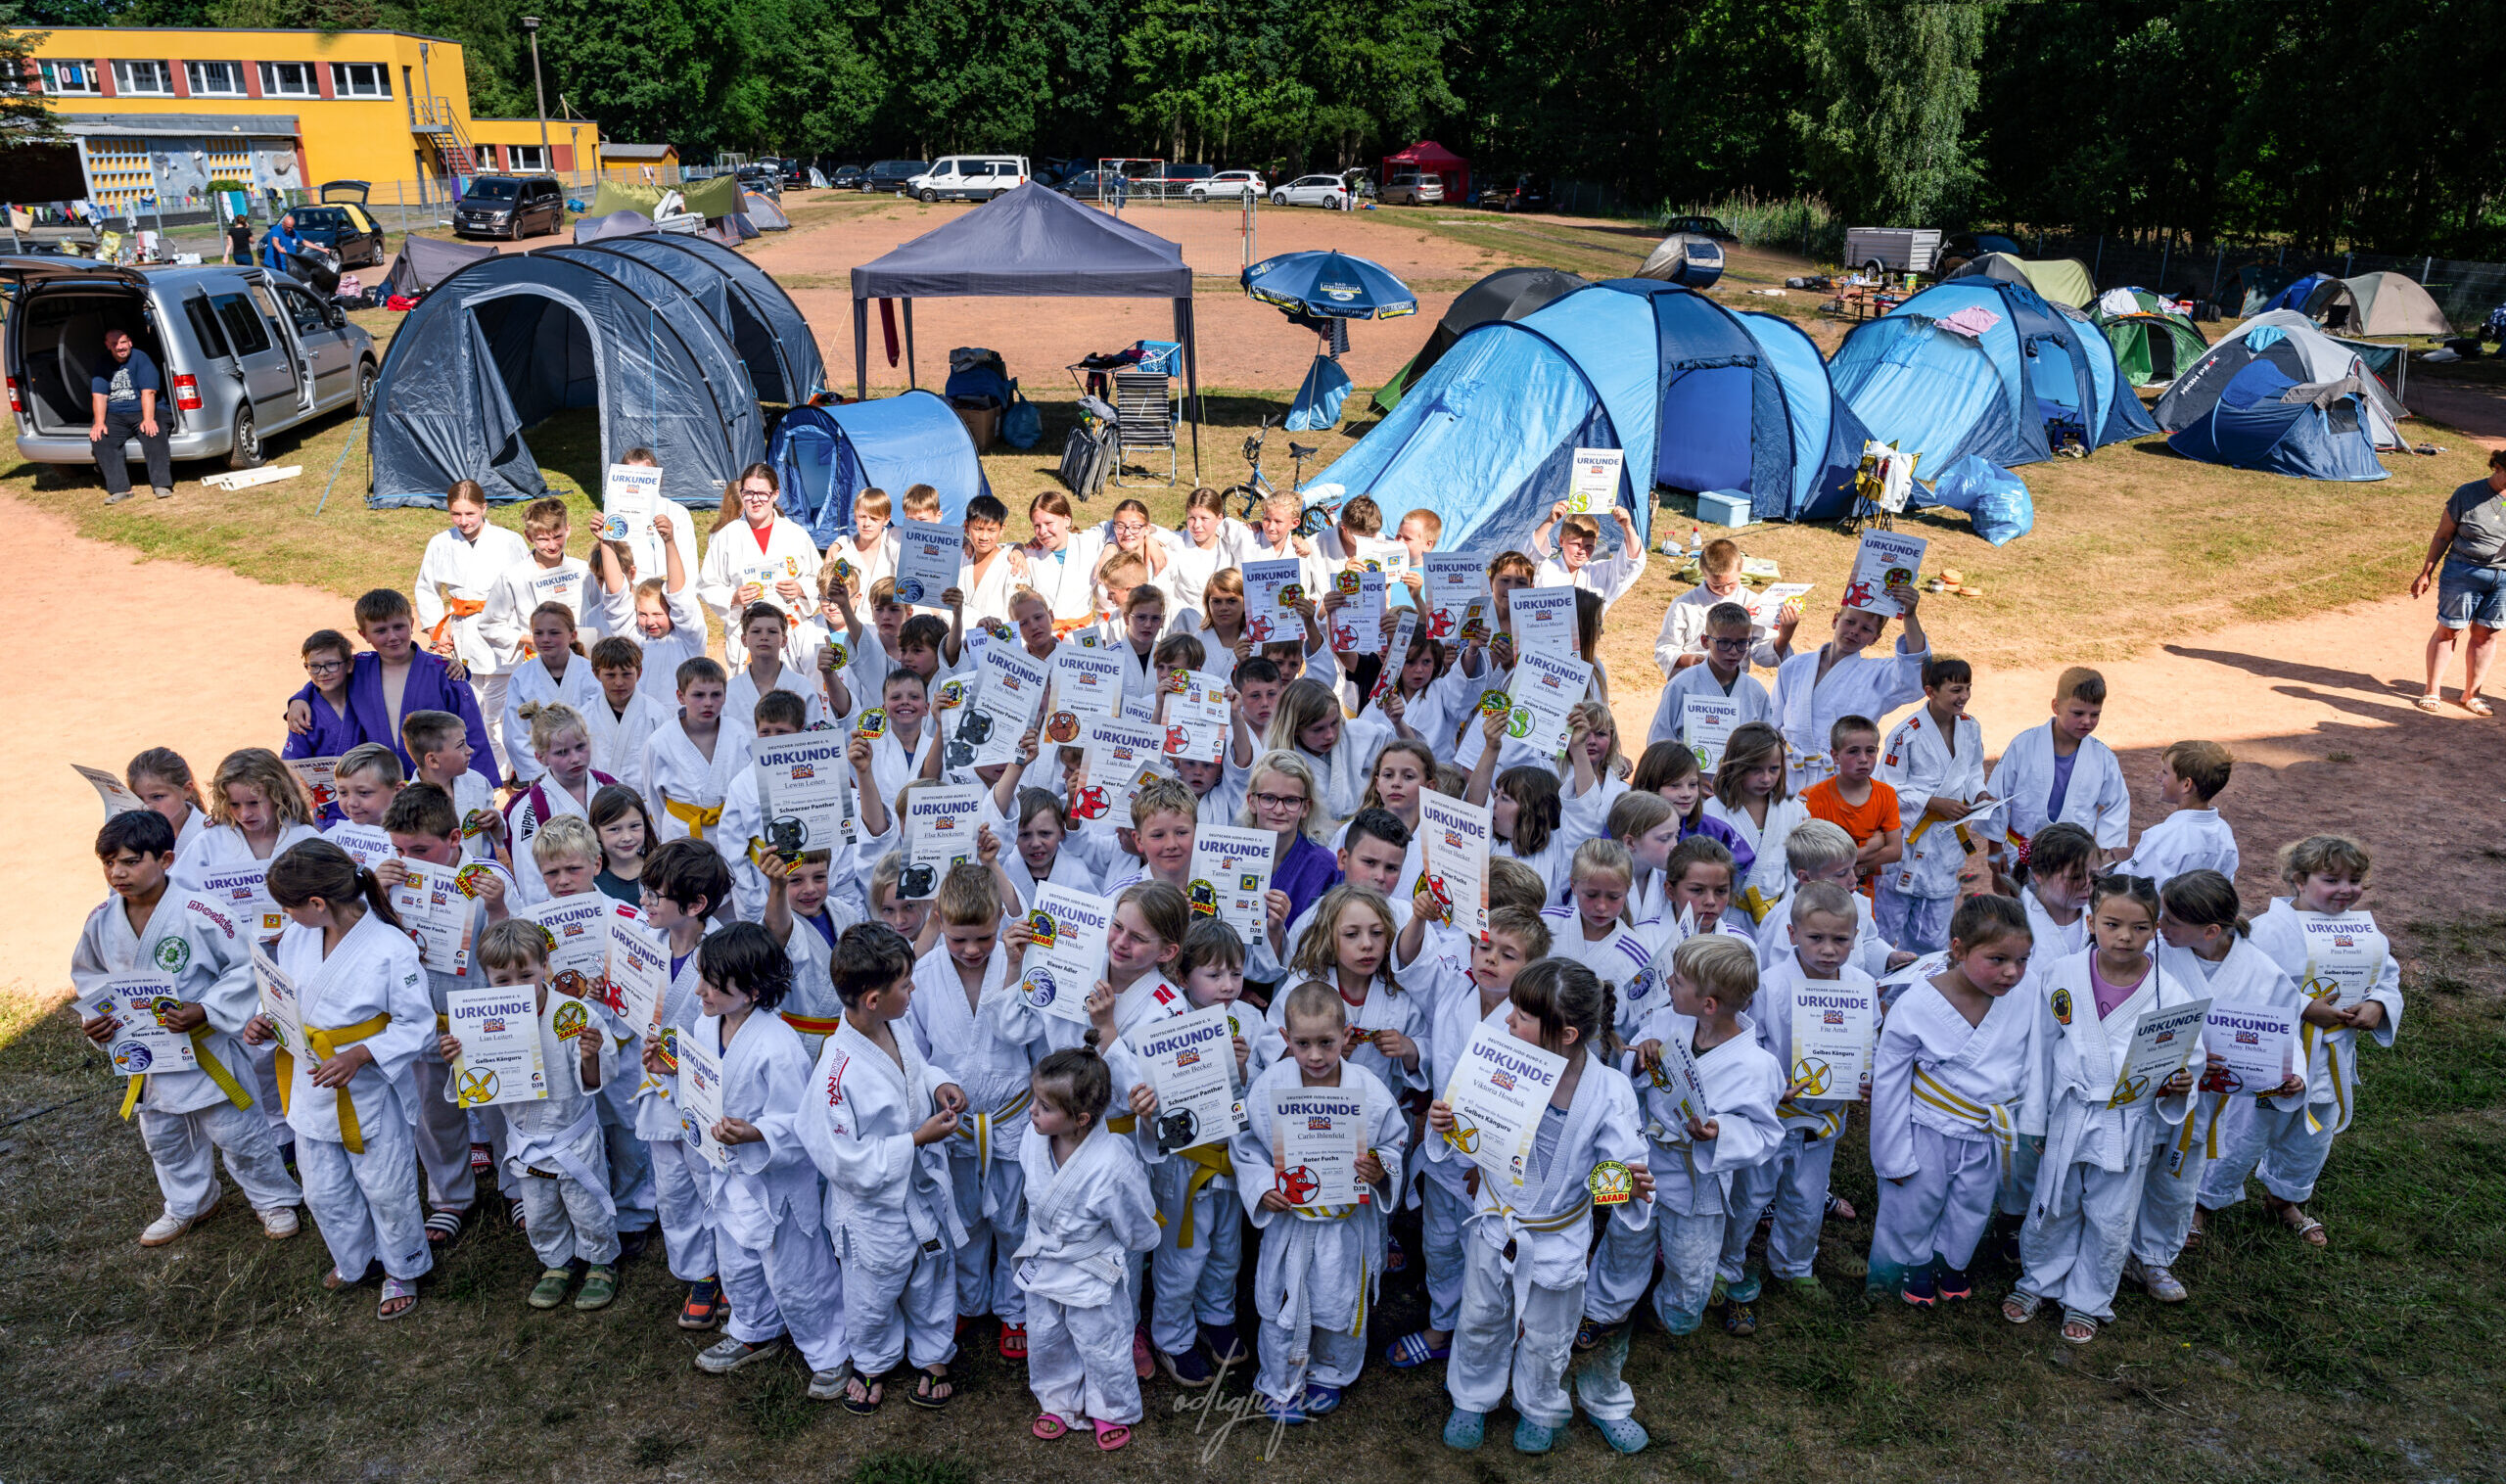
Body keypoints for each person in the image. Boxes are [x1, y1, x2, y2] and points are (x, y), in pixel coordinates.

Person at [1432, 960, 1652, 1455]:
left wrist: (1627, 1187)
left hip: (1557, 1233)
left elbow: (1606, 1179)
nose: (1508, 1022)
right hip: (1497, 1219)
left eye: (1523, 1016)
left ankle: (1539, 1404)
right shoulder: (1498, 1062)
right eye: (1512, 1010)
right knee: (1481, 1315)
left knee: (1549, 1335)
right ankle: (1472, 1396)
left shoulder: (1609, 1093)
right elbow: (1473, 1140)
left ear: (1567, 1033)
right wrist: (1448, 1123)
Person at [75, 810, 302, 1246]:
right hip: (146, 1052)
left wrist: (206, 1009)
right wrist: (96, 1018)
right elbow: (89, 975)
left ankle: (273, 1198)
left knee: (239, 1132)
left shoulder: (202, 912)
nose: (117, 872)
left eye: (129, 861)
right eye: (108, 863)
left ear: (164, 859)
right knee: (164, 1138)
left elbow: (244, 968)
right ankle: (189, 1202)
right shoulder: (101, 918)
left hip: (204, 1046)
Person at [240, 841, 435, 1321]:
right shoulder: (296, 937)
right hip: (311, 1079)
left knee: (386, 1187)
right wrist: (264, 1020)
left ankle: (401, 1265)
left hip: (369, 1090)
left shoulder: (392, 947)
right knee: (321, 1190)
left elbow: (419, 1024)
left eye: (289, 905)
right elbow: (283, 996)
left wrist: (362, 1053)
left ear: (318, 903)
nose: (283, 915)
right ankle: (355, 1259)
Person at [787, 922, 968, 1414]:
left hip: (919, 1191)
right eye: (905, 986)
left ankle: (932, 1352)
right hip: (873, 1210)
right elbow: (841, 1159)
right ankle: (872, 1358)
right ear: (872, 998)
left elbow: (916, 1069)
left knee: (932, 1273)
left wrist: (938, 1085)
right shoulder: (836, 1068)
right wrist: (915, 1140)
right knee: (872, 1289)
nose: (913, 992)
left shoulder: (896, 1023)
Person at [2010, 874, 2199, 1345]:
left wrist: (2178, 1086)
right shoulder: (2064, 975)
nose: (2124, 937)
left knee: (2111, 1217)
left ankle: (2089, 1299)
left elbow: (2184, 1060)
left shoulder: (2170, 993)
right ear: (2091, 921)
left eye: (2139, 927)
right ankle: (2038, 1279)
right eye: (2112, 924)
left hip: (2126, 1118)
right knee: (2054, 1200)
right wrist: (2034, 1117)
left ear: (2155, 928)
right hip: (2070, 1111)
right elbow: (2041, 1048)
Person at [2194, 836, 2401, 1250]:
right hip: (2274, 1054)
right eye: (2332, 879)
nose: (2346, 889)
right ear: (2299, 880)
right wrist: (2305, 1007)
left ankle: (2285, 1197)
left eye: (2355, 880)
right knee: (2245, 1130)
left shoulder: (2365, 933)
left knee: (2311, 1137)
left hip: (2331, 1056)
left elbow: (2387, 976)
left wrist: (2379, 1003)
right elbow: (2247, 983)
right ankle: (2201, 1201)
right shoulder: (2268, 931)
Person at [1582, 935, 1779, 1370]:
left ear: (1709, 1004)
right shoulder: (1667, 1020)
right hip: (1646, 1157)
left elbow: (1765, 1132)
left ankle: (1675, 1312)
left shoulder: (1756, 1066)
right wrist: (1643, 1056)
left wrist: (1720, 1132)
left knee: (1691, 1258)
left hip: (1698, 1176)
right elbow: (1630, 1071)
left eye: (1679, 980)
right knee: (1623, 1238)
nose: (1668, 982)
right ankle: (1603, 1308)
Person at [1232, 982, 1405, 1425]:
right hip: (1293, 1220)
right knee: (1281, 1302)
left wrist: (1380, 1167)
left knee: (1342, 1299)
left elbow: (1395, 1141)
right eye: (1303, 1043)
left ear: (1346, 1035)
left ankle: (1331, 1371)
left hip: (1348, 1223)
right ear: (1286, 1039)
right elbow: (1247, 1146)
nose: (1314, 1055)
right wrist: (1260, 1187)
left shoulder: (1367, 1088)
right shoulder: (1271, 1086)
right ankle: (1281, 1381)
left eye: (1326, 1042)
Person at [689, 924, 851, 1395]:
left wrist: (758, 1131)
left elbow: (800, 1123)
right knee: (736, 1259)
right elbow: (707, 1084)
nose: (700, 991)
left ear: (752, 992)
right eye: (702, 978)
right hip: (729, 1172)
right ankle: (754, 1326)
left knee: (796, 1269)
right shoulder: (705, 1024)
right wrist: (675, 1067)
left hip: (775, 1181)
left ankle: (830, 1348)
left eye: (713, 984)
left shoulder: (778, 1047)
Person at [1866, 894, 2036, 1305]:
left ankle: (1951, 1260)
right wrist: (1891, 1153)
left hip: (1985, 1129)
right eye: (1997, 959)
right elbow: (1889, 1083)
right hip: (1927, 1127)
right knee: (1914, 1202)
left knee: (1972, 1204)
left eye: (2023, 960)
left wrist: (2031, 1121)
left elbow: (2033, 1063)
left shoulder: (2026, 996)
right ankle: (1908, 1264)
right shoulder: (1917, 1004)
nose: (2012, 972)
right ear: (1958, 950)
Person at [446, 919, 618, 1310]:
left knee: (586, 1205)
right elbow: (476, 1085)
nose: (516, 987)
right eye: (502, 980)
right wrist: (458, 1057)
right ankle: (556, 1262)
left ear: (545, 965)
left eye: (526, 974)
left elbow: (595, 1081)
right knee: (540, 1209)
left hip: (572, 1132)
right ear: (486, 977)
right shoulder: (478, 1020)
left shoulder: (573, 1014)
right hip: (524, 1136)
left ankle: (601, 1261)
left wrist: (589, 1056)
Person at [1017, 1042, 1161, 1451]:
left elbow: (1136, 1217)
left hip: (1091, 1264)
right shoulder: (1034, 1137)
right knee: (1047, 1337)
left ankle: (1110, 1407)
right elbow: (1034, 1188)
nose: (1033, 1111)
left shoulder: (1113, 1161)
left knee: (1104, 1343)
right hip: (1046, 1261)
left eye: (1044, 1107)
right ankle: (1058, 1402)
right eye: (1035, 1099)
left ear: (1080, 1118)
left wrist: (1140, 1241)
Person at [285, 588, 501, 795]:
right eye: (380, 631)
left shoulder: (443, 673)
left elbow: (472, 732)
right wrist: (300, 698)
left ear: (412, 624)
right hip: (382, 786)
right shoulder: (358, 668)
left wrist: (483, 786)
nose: (392, 637)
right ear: (364, 634)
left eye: (399, 627)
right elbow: (325, 678)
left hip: (439, 782)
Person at [1876, 657, 1989, 953]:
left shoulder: (1970, 727)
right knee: (1885, 931)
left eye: (1967, 688)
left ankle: (1918, 993)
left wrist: (1979, 794)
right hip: (1907, 840)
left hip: (1944, 843)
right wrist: (1931, 803)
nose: (1963, 697)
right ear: (1930, 691)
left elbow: (1973, 769)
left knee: (1934, 935)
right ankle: (1880, 994)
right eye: (1955, 690)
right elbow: (1887, 788)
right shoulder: (1904, 734)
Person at [1769, 584, 1928, 795]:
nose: (1855, 631)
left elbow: (1914, 676)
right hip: (1789, 776)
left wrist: (1909, 616)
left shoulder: (1877, 675)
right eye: (1850, 621)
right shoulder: (1794, 666)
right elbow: (1771, 724)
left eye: (1866, 629)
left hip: (1843, 780)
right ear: (1835, 620)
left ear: (1875, 639)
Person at [415, 481, 531, 768]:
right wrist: (435, 630)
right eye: (456, 514)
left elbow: (526, 587)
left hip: (502, 633)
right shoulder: (440, 543)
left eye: (470, 514)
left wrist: (527, 635)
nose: (463, 521)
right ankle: (477, 766)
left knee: (499, 713)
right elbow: (427, 588)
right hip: (462, 633)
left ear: (484, 508)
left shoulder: (509, 540)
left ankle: (506, 771)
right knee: (469, 709)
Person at [1986, 668, 2130, 867]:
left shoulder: (2104, 758)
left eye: (2095, 714)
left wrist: (2099, 855)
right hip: (2020, 857)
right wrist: (1994, 853)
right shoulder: (2024, 745)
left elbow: (2117, 806)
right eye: (2078, 713)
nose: (2087, 721)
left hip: (2074, 864)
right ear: (2056, 706)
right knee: (2019, 899)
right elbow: (1997, 797)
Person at [2411, 445, 2506, 715]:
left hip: (2504, 578)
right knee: (2449, 630)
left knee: (2486, 635)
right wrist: (2426, 572)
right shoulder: (2467, 494)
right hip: (2463, 571)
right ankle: (2432, 690)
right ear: (2497, 468)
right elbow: (2443, 536)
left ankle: (2471, 694)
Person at [2117, 741, 2240, 885]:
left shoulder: (2163, 836)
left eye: (2165, 772)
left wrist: (2116, 861)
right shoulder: (2224, 832)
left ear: (2187, 784)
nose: (2158, 777)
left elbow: (2131, 881)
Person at [89, 327, 172, 504]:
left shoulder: (141, 359)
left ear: (130, 342)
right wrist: (99, 423)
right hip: (116, 412)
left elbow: (148, 392)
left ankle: (161, 484)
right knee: (101, 437)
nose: (120, 347)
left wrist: (148, 419)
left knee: (153, 432)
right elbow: (99, 395)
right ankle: (120, 489)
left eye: (123, 342)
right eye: (114, 344)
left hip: (146, 407)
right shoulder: (102, 363)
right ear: (107, 346)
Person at [260, 210, 304, 277]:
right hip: (274, 267)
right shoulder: (276, 229)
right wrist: (279, 248)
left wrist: (321, 249)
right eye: (288, 227)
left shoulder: (293, 232)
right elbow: (275, 240)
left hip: (287, 266)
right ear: (283, 223)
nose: (290, 229)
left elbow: (304, 242)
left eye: (291, 227)